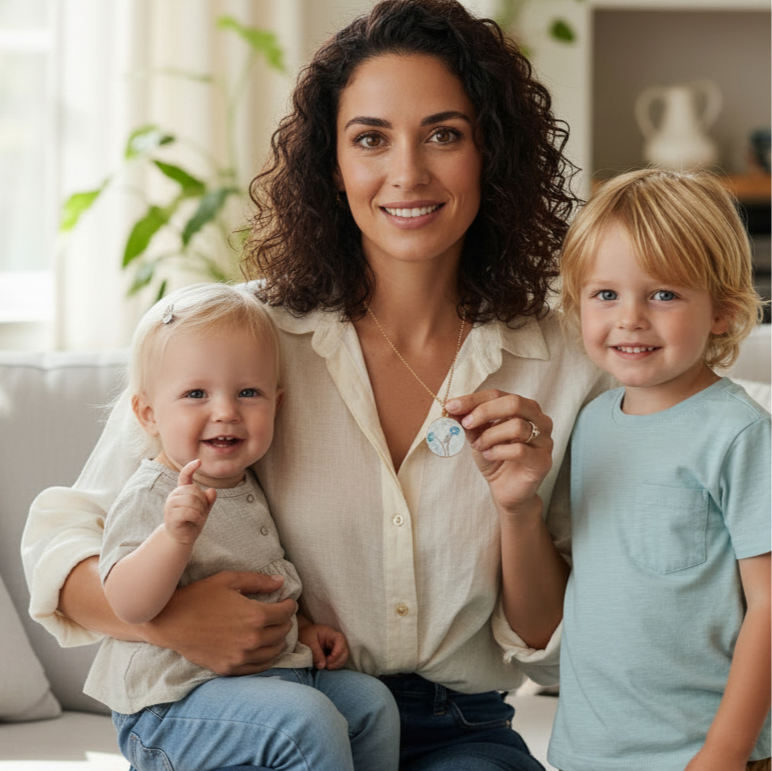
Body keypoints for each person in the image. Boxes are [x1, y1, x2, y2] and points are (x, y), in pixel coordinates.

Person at [23, 1, 610, 768]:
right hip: (275, 715)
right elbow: (62, 539)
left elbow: (550, 643)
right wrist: (169, 622)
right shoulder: (240, 338)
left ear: (490, 152)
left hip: (459, 726)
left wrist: (520, 510)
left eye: (444, 134)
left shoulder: (567, 357)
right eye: (370, 138)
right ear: (331, 165)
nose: (407, 173)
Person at [82, 282, 400, 771]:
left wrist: (305, 629)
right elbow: (128, 604)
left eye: (248, 392)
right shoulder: (154, 493)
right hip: (172, 707)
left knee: (372, 704)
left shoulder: (250, 482)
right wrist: (173, 538)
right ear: (147, 413)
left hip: (268, 681)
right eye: (195, 394)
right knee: (307, 720)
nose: (226, 411)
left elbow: (262, 575)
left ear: (278, 402)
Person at [548, 168, 772, 771]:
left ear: (722, 312)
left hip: (700, 754)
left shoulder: (740, 433)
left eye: (664, 294)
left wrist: (725, 750)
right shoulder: (590, 422)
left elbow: (770, 604)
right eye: (606, 294)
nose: (630, 318)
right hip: (587, 752)